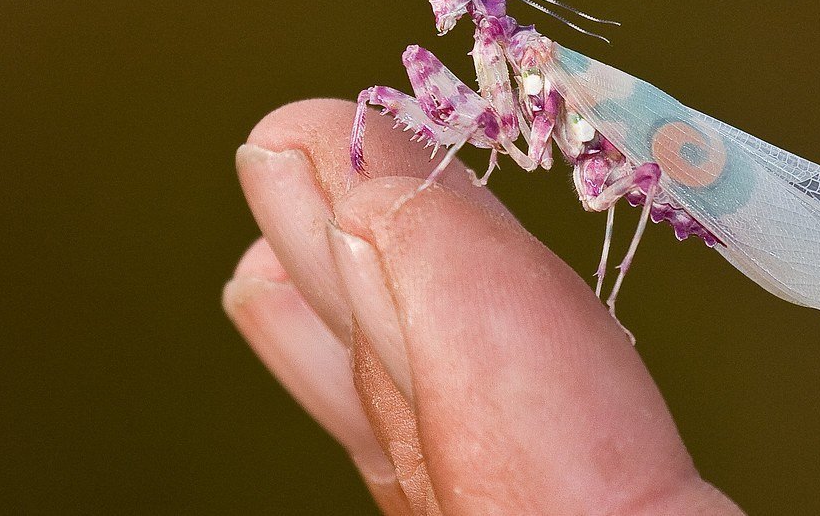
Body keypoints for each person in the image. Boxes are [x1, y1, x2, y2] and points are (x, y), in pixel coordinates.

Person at [224, 99, 745, 515]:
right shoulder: (509, 77)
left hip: (640, 174)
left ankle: (610, 291)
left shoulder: (538, 66)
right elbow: (504, 133)